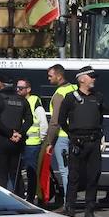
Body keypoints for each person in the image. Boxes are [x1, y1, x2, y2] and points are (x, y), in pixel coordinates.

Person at [59, 66, 107, 217]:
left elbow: (100, 118)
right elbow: (61, 120)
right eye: (91, 76)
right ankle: (70, 208)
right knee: (74, 177)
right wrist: (72, 136)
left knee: (93, 176)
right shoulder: (70, 97)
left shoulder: (98, 97)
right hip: (77, 143)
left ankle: (89, 210)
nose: (94, 79)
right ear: (81, 79)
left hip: (93, 142)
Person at [0, 77, 33, 194]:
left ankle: (0, 201)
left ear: (0, 85)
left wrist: (9, 134)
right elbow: (29, 120)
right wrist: (19, 133)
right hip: (17, 143)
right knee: (16, 174)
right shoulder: (22, 100)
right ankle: (20, 199)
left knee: (0, 175)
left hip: (1, 141)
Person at [41, 65, 78, 208]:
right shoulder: (74, 89)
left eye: (50, 75)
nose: (48, 78)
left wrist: (50, 141)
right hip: (75, 135)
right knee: (74, 171)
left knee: (65, 171)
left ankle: (67, 203)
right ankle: (71, 201)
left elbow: (55, 121)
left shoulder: (59, 94)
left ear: (59, 76)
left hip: (62, 137)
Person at [16, 79, 48, 202]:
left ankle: (31, 197)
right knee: (19, 172)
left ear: (28, 89)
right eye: (17, 88)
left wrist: (41, 139)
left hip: (32, 144)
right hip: (20, 142)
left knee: (31, 173)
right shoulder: (18, 101)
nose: (18, 90)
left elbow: (43, 123)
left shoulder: (34, 101)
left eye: (21, 88)